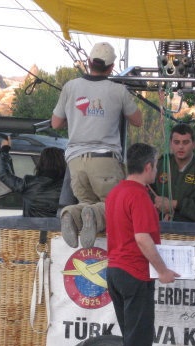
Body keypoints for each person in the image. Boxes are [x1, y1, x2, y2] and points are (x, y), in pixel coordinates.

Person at [105, 143, 179, 346]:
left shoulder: (115, 192)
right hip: (134, 272)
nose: (157, 171)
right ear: (148, 167)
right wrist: (163, 270)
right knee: (139, 341)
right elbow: (142, 238)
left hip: (114, 269)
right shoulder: (139, 196)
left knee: (131, 339)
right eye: (156, 166)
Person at [52, 42, 143, 248]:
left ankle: (71, 214)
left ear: (88, 62)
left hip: (75, 161)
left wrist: (74, 118)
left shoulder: (70, 87)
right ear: (111, 68)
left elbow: (55, 123)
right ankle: (88, 215)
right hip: (104, 160)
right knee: (115, 206)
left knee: (85, 204)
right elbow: (137, 120)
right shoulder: (118, 91)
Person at [151, 123, 195, 222]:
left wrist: (175, 204)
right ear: (171, 144)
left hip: (190, 232)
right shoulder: (160, 164)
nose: (181, 147)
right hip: (159, 227)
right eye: (176, 142)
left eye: (185, 142)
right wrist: (157, 203)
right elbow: (145, 191)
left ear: (193, 144)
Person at [0, 137, 65, 217]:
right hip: (59, 228)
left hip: (31, 228)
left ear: (42, 163)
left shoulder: (28, 184)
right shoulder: (67, 188)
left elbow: (4, 174)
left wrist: (5, 149)